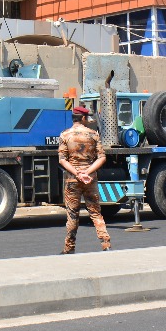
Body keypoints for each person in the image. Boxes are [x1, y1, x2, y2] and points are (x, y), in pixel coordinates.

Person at [57, 105, 111, 254]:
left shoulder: (65, 135)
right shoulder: (93, 135)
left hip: (72, 180)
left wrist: (78, 173)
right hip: (90, 179)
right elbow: (102, 158)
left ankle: (69, 248)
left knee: (72, 215)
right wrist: (87, 172)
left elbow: (62, 160)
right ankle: (105, 243)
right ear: (82, 118)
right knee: (95, 212)